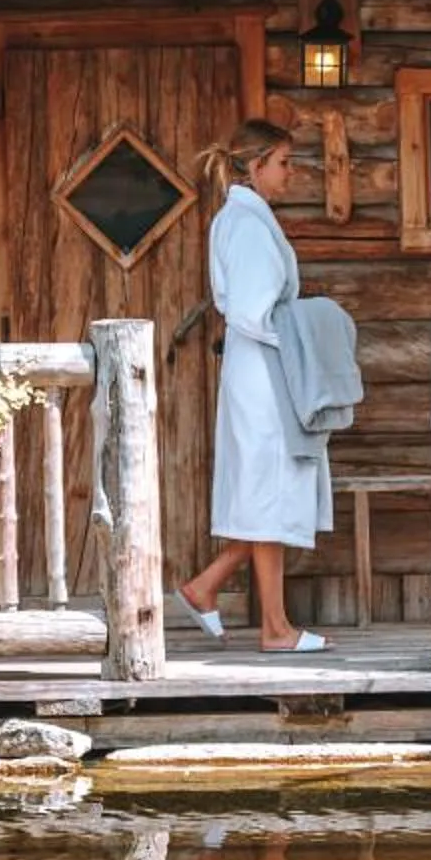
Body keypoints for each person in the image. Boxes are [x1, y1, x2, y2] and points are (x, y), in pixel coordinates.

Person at [174, 118, 334, 653]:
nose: (292, 173)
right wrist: (299, 339)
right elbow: (248, 311)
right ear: (256, 164)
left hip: (262, 368)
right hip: (265, 371)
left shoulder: (246, 219)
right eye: (285, 162)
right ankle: (275, 629)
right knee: (269, 491)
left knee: (269, 490)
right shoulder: (245, 225)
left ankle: (205, 587)